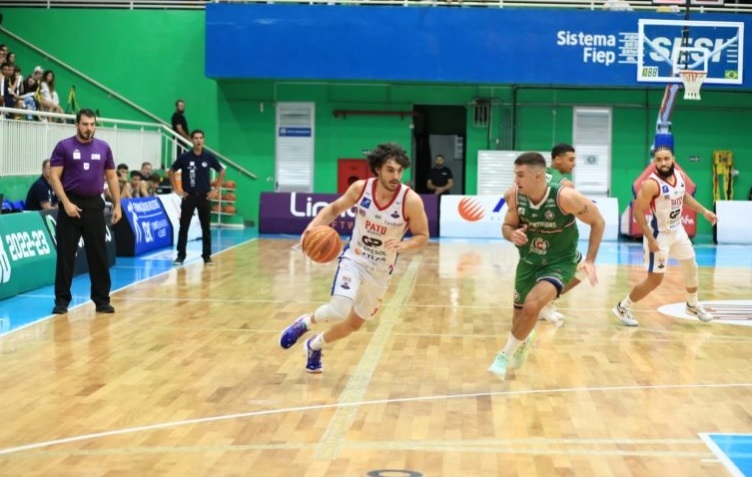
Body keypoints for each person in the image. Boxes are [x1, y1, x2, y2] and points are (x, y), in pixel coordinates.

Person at [279, 143, 429, 373]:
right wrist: (311, 228)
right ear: (378, 169)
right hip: (355, 260)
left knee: (353, 324)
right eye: (390, 170)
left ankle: (314, 345)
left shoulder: (411, 200)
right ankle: (305, 323)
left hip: (381, 270)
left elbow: (422, 235)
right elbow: (333, 210)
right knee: (339, 310)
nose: (396, 176)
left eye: (399, 171)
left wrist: (404, 245)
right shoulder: (361, 188)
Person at [487, 152, 605, 380]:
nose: (515, 180)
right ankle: (523, 340)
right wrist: (512, 235)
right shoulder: (514, 195)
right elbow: (507, 226)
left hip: (559, 262)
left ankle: (502, 356)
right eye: (515, 175)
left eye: (520, 175)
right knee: (520, 320)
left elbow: (598, 221)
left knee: (532, 306)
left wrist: (590, 260)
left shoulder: (565, 197)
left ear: (538, 176)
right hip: (529, 261)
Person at [612, 145, 717, 326]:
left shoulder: (680, 176)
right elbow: (637, 212)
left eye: (666, 159)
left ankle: (692, 305)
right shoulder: (651, 184)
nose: (663, 163)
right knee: (654, 281)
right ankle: (623, 307)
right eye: (659, 160)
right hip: (659, 235)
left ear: (673, 159)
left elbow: (684, 197)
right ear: (654, 162)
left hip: (678, 231)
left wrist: (704, 211)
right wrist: (650, 239)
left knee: (691, 265)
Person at [47, 109, 122, 315]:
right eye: (85, 124)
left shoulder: (104, 148)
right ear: (77, 125)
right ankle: (62, 301)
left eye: (92, 124)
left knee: (98, 255)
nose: (89, 128)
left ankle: (102, 300)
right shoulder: (64, 146)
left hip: (94, 205)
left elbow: (112, 177)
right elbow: (54, 177)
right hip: (70, 205)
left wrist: (117, 205)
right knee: (66, 255)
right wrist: (66, 203)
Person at [167, 129, 225, 266]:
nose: (198, 140)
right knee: (184, 227)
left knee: (206, 228)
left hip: (205, 196)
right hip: (189, 196)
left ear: (203, 140)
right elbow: (171, 171)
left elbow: (221, 171)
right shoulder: (185, 157)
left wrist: (216, 190)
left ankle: (207, 256)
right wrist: (177, 189)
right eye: (196, 138)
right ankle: (181, 256)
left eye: (200, 138)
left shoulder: (209, 157)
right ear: (192, 140)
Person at [539, 142, 581, 323]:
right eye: (570, 159)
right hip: (557, 240)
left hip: (538, 237)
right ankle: (544, 303)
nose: (574, 163)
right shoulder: (566, 184)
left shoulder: (538, 176)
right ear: (557, 159)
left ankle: (544, 303)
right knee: (582, 269)